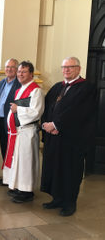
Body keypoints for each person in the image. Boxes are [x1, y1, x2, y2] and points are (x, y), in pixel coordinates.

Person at [41, 57, 97, 216]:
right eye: (64, 67)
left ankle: (69, 202)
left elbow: (79, 112)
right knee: (54, 168)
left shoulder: (87, 88)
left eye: (70, 67)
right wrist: (46, 124)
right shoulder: (57, 87)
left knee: (69, 170)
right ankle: (56, 198)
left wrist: (57, 125)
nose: (66, 70)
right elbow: (47, 107)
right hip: (53, 136)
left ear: (78, 69)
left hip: (71, 139)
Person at [2, 61, 44, 203]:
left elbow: (36, 112)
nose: (20, 74)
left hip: (27, 133)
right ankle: (19, 187)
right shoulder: (20, 89)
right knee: (18, 161)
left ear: (31, 73)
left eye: (23, 71)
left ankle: (27, 191)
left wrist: (17, 109)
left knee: (26, 162)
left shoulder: (36, 90)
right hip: (17, 132)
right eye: (19, 71)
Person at [0, 59, 21, 186]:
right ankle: (7, 177)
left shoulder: (20, 84)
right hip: (1, 120)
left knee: (12, 150)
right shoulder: (2, 82)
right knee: (4, 148)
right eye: (7, 67)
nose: (9, 69)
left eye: (12, 67)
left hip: (12, 122)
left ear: (17, 69)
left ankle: (14, 178)